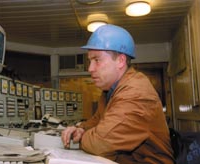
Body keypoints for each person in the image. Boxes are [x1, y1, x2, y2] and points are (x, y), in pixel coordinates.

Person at [61, 24, 174, 164]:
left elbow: (100, 142)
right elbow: (96, 121)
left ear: (120, 61)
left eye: (97, 60)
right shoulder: (110, 91)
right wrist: (80, 128)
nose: (90, 68)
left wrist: (82, 136)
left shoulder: (136, 93)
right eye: (89, 61)